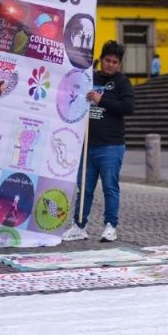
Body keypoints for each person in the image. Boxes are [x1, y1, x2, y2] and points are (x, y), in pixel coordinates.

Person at [62, 40, 135, 243]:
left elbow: (128, 107)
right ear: (101, 59)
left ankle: (110, 226)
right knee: (84, 188)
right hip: (87, 145)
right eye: (107, 60)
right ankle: (79, 225)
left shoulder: (123, 83)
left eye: (114, 62)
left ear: (119, 64)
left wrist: (101, 100)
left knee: (110, 187)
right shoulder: (89, 77)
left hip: (111, 145)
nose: (110, 64)